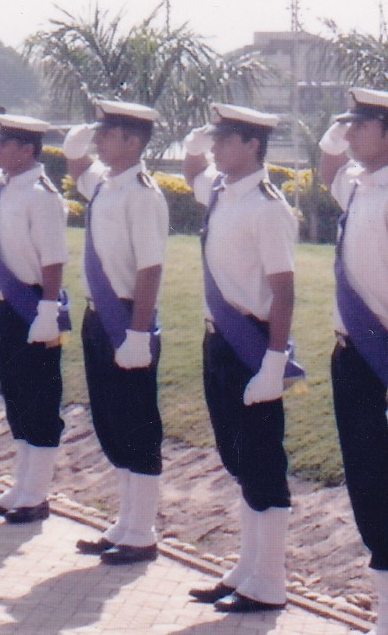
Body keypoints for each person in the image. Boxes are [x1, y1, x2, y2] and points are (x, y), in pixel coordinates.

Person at [182, 103, 298, 613]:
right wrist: (193, 147)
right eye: (215, 139)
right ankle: (248, 568)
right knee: (238, 458)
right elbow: (193, 171)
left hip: (252, 342)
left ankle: (269, 580)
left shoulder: (268, 207)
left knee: (262, 459)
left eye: (225, 139)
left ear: (253, 145)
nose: (215, 148)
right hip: (220, 342)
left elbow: (284, 291)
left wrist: (273, 363)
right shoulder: (221, 189)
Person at [63, 100, 169, 566]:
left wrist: (138, 333)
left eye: (108, 133)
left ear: (133, 141)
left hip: (127, 316)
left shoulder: (142, 194)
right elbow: (77, 168)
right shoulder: (107, 184)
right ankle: (126, 523)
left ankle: (142, 531)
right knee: (111, 421)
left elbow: (150, 269)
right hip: (98, 316)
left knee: (137, 424)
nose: (100, 140)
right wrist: (77, 145)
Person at [0, 113, 68, 524]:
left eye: (3, 143)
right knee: (16, 396)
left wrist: (47, 309)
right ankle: (21, 486)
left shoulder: (41, 195)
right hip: (10, 306)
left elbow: (53, 258)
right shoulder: (8, 184)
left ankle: (37, 493)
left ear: (27, 150)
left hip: (34, 305)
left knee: (39, 399)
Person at [318, 87, 388, 634]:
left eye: (360, 126)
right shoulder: (362, 184)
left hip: (382, 354)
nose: (350, 134)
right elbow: (329, 173)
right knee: (367, 485)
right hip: (353, 357)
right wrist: (331, 141)